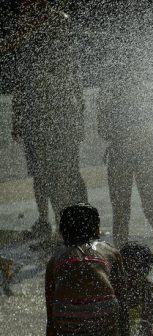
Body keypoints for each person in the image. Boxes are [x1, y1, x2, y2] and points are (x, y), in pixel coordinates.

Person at [97, 68, 153, 295]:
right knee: (142, 210)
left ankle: (123, 260)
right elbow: (104, 130)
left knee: (131, 211)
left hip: (129, 156)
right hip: (135, 154)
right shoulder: (140, 96)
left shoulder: (119, 99)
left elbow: (104, 131)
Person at [11, 0, 87, 241]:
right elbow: (21, 80)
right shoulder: (29, 34)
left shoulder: (57, 23)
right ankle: (50, 222)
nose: (24, 8)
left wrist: (79, 116)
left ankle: (72, 224)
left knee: (63, 172)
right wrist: (17, 115)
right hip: (37, 116)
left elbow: (73, 76)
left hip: (60, 114)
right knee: (42, 172)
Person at [38, 204, 127, 336]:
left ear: (62, 232)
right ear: (97, 229)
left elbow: (51, 318)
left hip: (69, 318)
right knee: (106, 320)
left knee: (65, 320)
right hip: (103, 312)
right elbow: (121, 297)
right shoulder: (109, 251)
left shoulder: (55, 260)